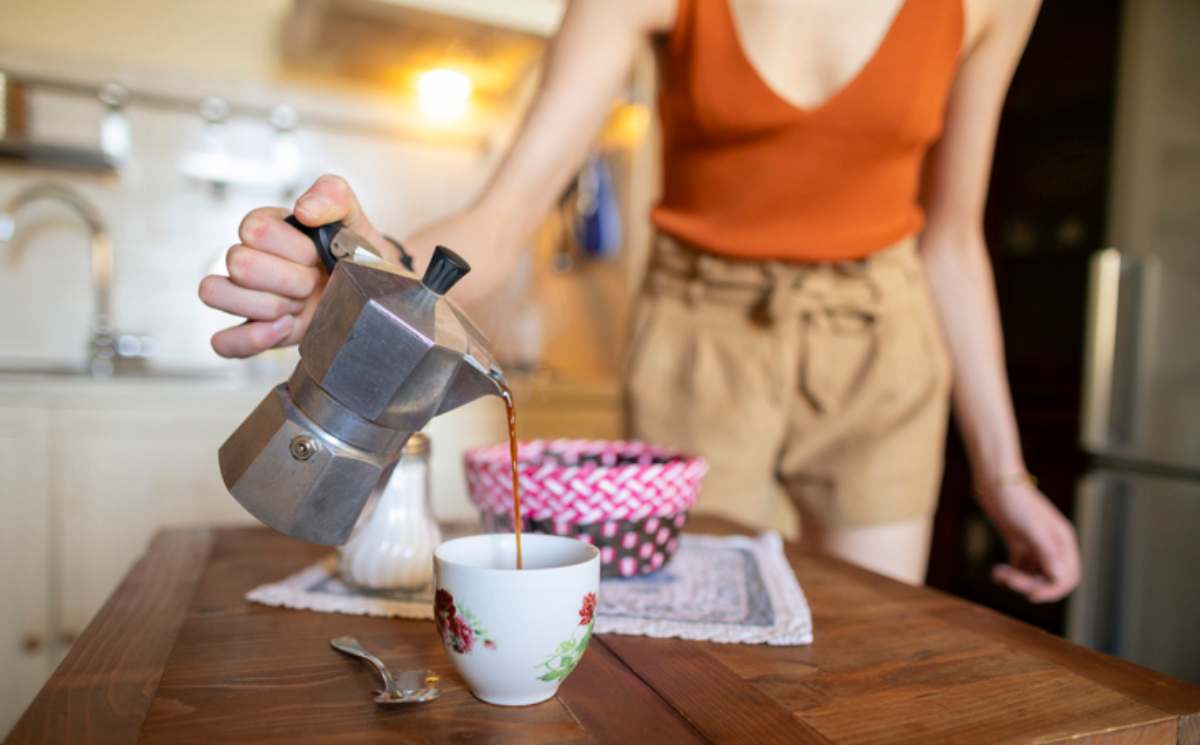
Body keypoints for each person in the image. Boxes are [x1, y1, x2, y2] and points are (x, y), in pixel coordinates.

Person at [199, 0, 1080, 601]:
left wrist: (1004, 478)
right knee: (697, 647)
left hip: (883, 338)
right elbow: (502, 218)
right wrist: (372, 272)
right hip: (704, 335)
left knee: (870, 654)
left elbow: (953, 242)